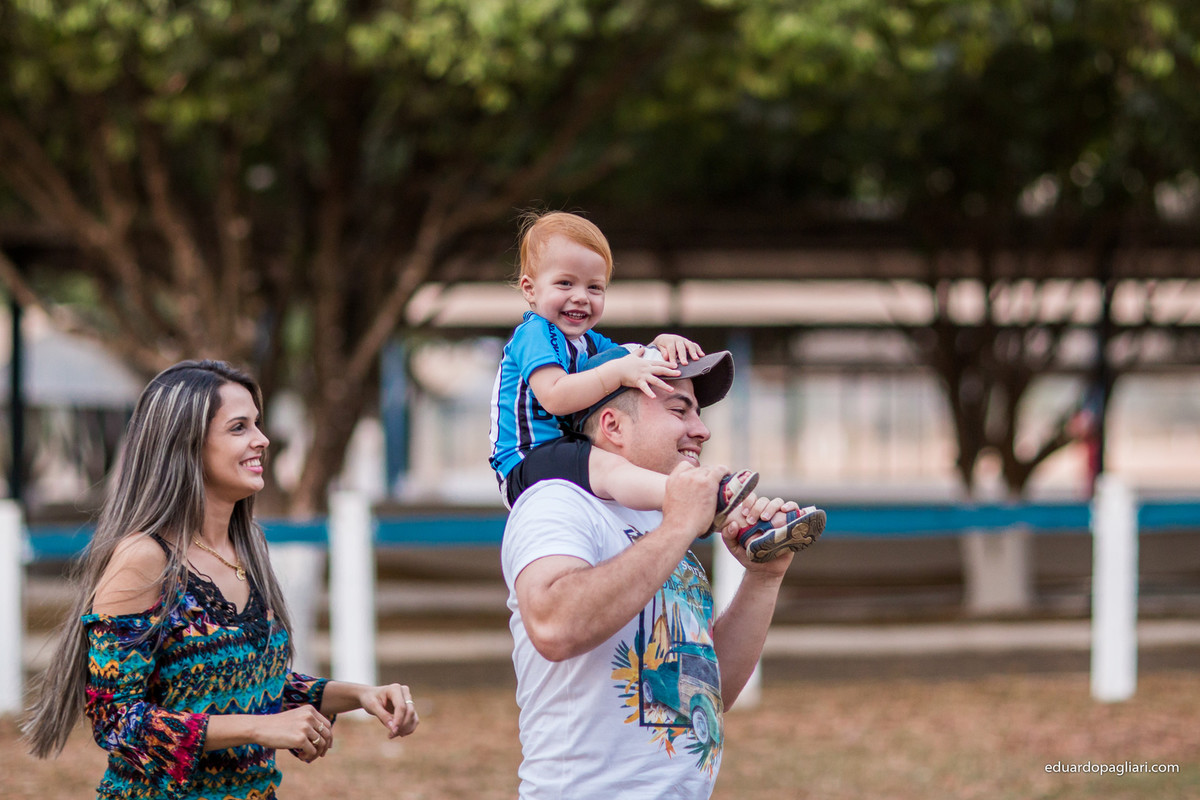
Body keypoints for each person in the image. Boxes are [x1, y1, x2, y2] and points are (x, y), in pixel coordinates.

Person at [22, 360, 420, 800]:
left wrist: (361, 694)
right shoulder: (144, 558)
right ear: (186, 446)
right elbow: (116, 721)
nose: (262, 439)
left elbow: (246, 684)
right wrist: (260, 728)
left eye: (258, 424)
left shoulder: (247, 547)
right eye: (239, 427)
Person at [500, 349, 824, 799]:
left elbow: (708, 694)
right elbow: (554, 625)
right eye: (679, 410)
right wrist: (680, 525)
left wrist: (763, 578)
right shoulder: (557, 501)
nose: (703, 429)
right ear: (613, 426)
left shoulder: (659, 523)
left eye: (699, 412)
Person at [488, 210, 758, 530]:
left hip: (567, 452)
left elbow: (627, 356)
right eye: (565, 283)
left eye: (594, 288)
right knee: (607, 467)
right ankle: (696, 496)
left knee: (610, 468)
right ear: (530, 289)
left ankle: (706, 511)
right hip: (524, 462)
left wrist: (660, 342)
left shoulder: (588, 342)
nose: (580, 297)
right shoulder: (533, 335)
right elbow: (555, 396)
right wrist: (617, 373)